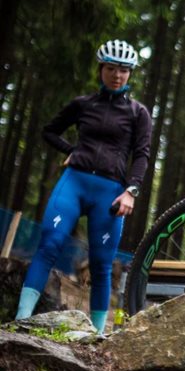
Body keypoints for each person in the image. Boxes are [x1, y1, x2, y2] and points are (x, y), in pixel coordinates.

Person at [15, 39, 152, 331]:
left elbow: (142, 155)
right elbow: (50, 131)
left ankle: (98, 334)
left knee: (102, 265)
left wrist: (131, 190)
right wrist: (72, 151)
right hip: (74, 183)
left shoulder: (138, 112)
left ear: (130, 73)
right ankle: (20, 320)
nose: (117, 75)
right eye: (111, 68)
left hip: (111, 192)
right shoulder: (83, 104)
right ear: (101, 69)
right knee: (49, 245)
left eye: (124, 70)